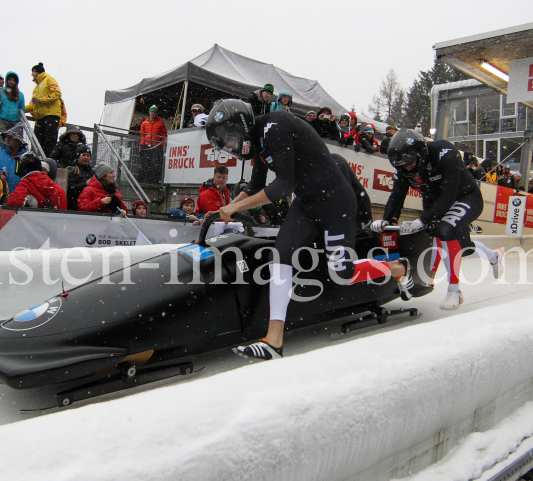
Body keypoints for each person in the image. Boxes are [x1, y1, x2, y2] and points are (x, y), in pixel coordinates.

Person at [208, 99, 409, 361]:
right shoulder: (259, 140)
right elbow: (255, 184)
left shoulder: (275, 126)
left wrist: (236, 207)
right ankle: (274, 340)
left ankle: (398, 269)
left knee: (342, 274)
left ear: (241, 126)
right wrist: (224, 209)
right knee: (281, 256)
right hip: (307, 204)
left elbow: (282, 186)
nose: (233, 148)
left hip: (335, 202)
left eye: (231, 141)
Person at [372, 129, 505, 311]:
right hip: (434, 200)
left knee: (445, 230)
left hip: (464, 197)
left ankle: (454, 291)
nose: (408, 169)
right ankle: (494, 256)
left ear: (421, 153)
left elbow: (449, 195)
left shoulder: (444, 152)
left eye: (410, 164)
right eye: (403, 167)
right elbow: (396, 197)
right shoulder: (403, 168)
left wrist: (422, 220)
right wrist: (387, 220)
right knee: (463, 249)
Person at [24, 63, 61, 155]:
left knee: (48, 143)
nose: (32, 74)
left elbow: (57, 93)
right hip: (40, 119)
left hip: (50, 116)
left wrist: (41, 100)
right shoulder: (36, 88)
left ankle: (47, 163)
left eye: (33, 72)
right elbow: (33, 105)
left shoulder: (49, 79)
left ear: (37, 72)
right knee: (37, 143)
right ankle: (37, 162)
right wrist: (20, 108)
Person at [0, 123, 29, 193]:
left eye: (11, 137)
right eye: (6, 137)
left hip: (17, 198)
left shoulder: (27, 158)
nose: (7, 139)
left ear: (18, 140)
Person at [64, 143, 94, 210]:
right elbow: (69, 189)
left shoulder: (92, 172)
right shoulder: (72, 170)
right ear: (78, 157)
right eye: (83, 155)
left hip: (88, 205)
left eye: (88, 155)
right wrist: (85, 184)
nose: (86, 157)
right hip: (73, 206)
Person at [138, 105, 167, 174]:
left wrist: (163, 144)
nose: (153, 113)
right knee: (146, 164)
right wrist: (144, 143)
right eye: (152, 112)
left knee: (156, 164)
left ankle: (153, 180)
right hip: (146, 146)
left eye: (155, 112)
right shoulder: (144, 123)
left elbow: (164, 135)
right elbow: (142, 134)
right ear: (149, 112)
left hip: (157, 146)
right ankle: (146, 178)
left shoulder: (161, 123)